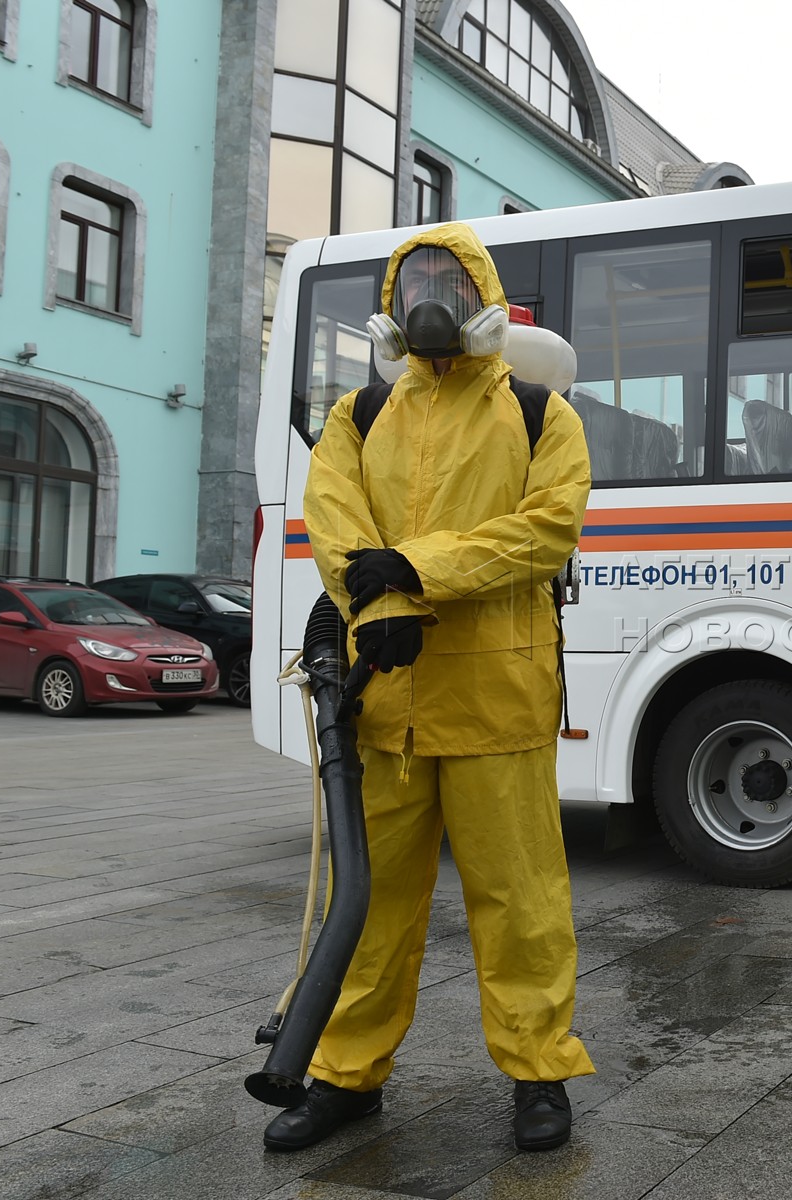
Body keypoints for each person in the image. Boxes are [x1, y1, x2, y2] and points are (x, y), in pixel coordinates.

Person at [266, 222, 594, 1154]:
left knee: (521, 900)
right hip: (386, 702)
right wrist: (377, 616)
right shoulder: (358, 416)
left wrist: (413, 571)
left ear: (483, 293)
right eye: (417, 282)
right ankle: (343, 1074)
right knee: (369, 903)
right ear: (390, 305)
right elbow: (333, 526)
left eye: (451, 279)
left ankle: (539, 1073)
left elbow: (547, 531)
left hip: (499, 704)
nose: (433, 297)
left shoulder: (540, 413)